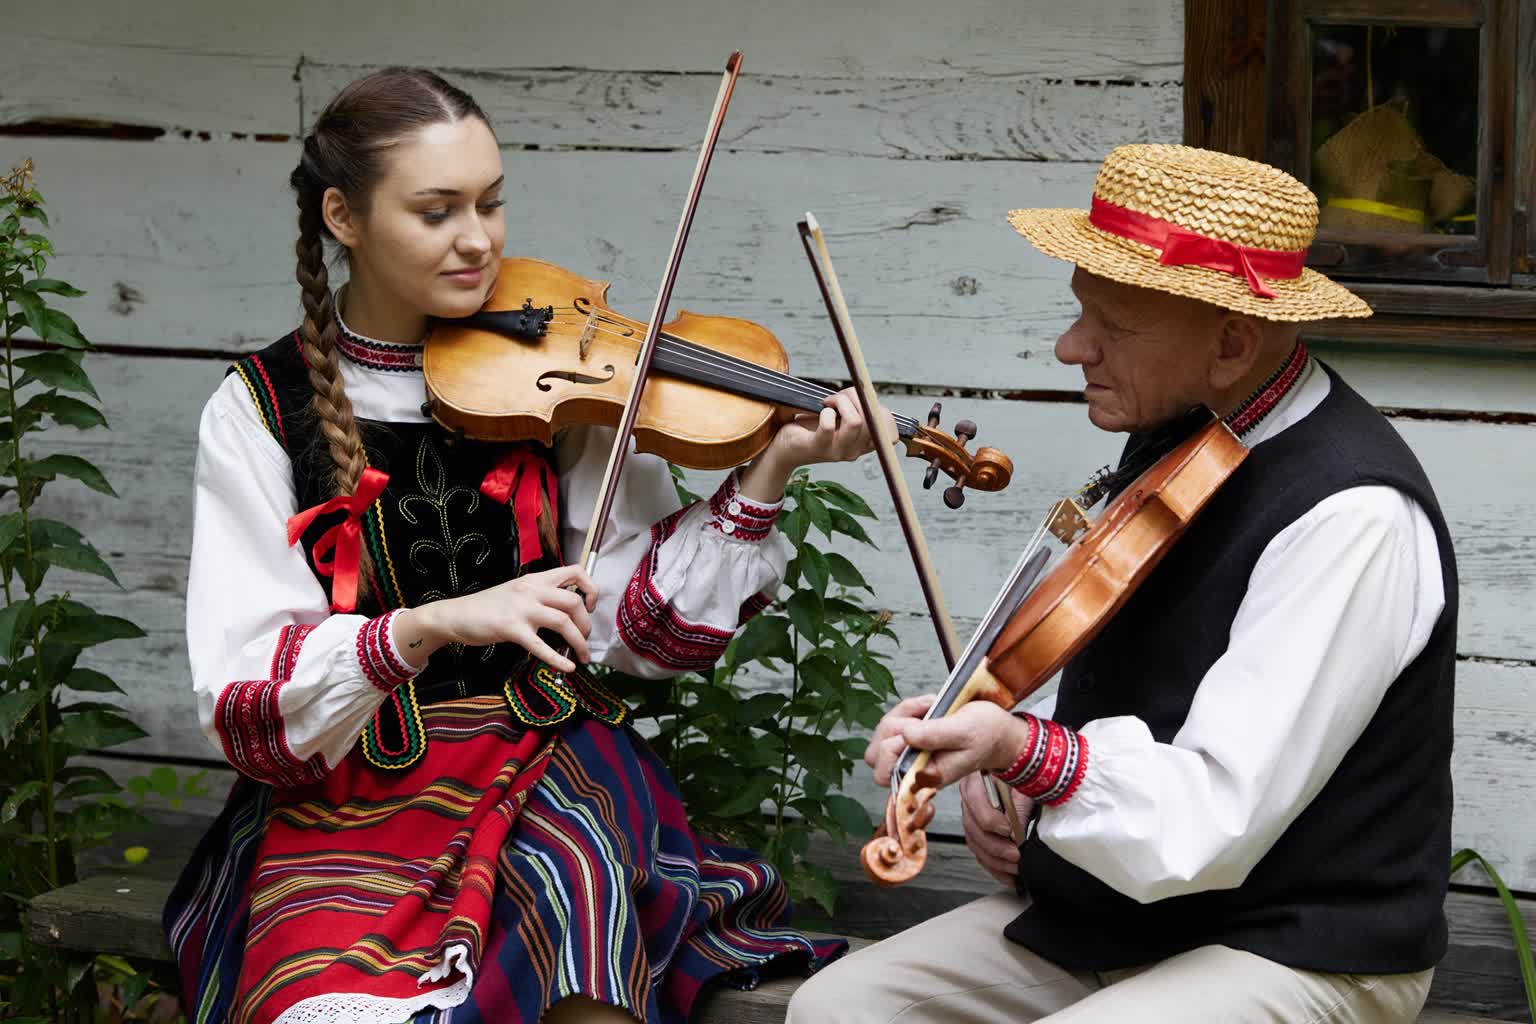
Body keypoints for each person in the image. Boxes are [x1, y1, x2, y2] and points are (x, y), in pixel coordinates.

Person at [162, 67, 879, 1024]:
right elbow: (249, 699)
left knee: (578, 920)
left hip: (543, 753)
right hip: (351, 779)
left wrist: (770, 469)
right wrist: (423, 625)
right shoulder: (260, 409)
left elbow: (644, 638)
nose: (479, 239)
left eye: (492, 204)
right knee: (323, 987)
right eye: (436, 210)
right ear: (343, 216)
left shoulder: (553, 387)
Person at [787, 143, 1457, 1023]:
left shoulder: (1353, 517)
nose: (1071, 348)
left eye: (1111, 325)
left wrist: (1025, 751)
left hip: (1298, 945)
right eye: (1078, 312)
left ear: (1231, 340)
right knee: (838, 1012)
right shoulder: (1191, 432)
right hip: (1126, 913)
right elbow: (1154, 701)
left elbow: (1213, 812)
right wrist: (1010, 772)